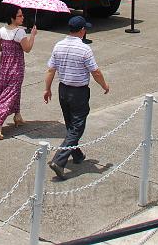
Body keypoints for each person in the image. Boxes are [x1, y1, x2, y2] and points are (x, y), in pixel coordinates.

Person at [43, 16, 110, 180]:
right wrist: (104, 85)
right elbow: (95, 71)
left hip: (63, 90)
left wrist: (47, 89)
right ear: (81, 30)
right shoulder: (84, 49)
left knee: (70, 125)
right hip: (78, 92)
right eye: (84, 29)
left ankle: (77, 155)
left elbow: (51, 69)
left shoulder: (58, 45)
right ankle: (58, 161)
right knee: (77, 127)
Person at [0, 6, 37, 139]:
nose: (23, 17)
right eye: (20, 15)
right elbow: (28, 49)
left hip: (3, 66)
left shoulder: (2, 30)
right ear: (12, 17)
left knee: (7, 90)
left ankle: (17, 116)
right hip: (16, 67)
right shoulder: (20, 32)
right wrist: (33, 36)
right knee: (10, 94)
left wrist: (7, 50)